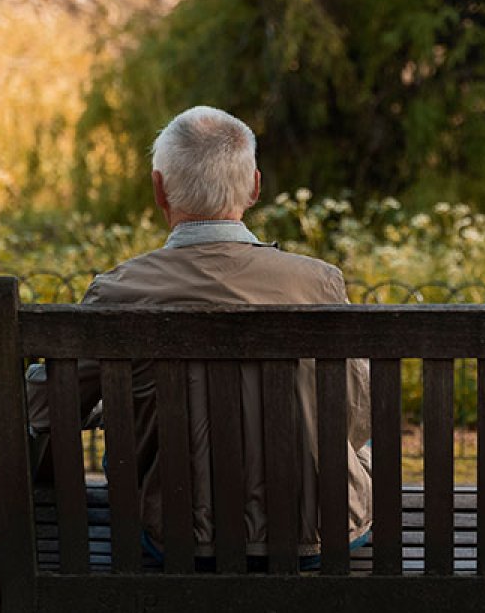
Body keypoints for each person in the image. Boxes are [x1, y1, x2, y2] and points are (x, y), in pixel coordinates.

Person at [25, 105, 372, 569]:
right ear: (254, 187)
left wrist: (120, 405)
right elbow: (357, 418)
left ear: (158, 188)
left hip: (178, 539)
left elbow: (45, 408)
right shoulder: (319, 283)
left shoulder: (120, 291)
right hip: (320, 536)